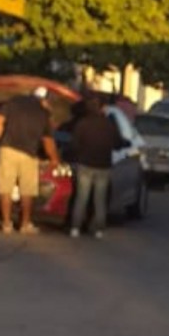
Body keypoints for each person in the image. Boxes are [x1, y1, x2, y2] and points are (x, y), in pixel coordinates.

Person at [0, 86, 59, 234]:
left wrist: (0, 140)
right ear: (45, 100)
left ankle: (6, 224)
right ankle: (24, 224)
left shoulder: (13, 102)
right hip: (29, 154)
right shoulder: (44, 113)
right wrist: (55, 159)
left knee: (5, 187)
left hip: (7, 150)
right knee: (27, 190)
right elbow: (48, 141)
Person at [67, 95, 127, 240]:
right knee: (99, 199)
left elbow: (74, 144)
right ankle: (98, 229)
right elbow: (118, 144)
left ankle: (75, 227)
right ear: (102, 108)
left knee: (81, 197)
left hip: (84, 164)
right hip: (103, 165)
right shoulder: (109, 125)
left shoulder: (82, 123)